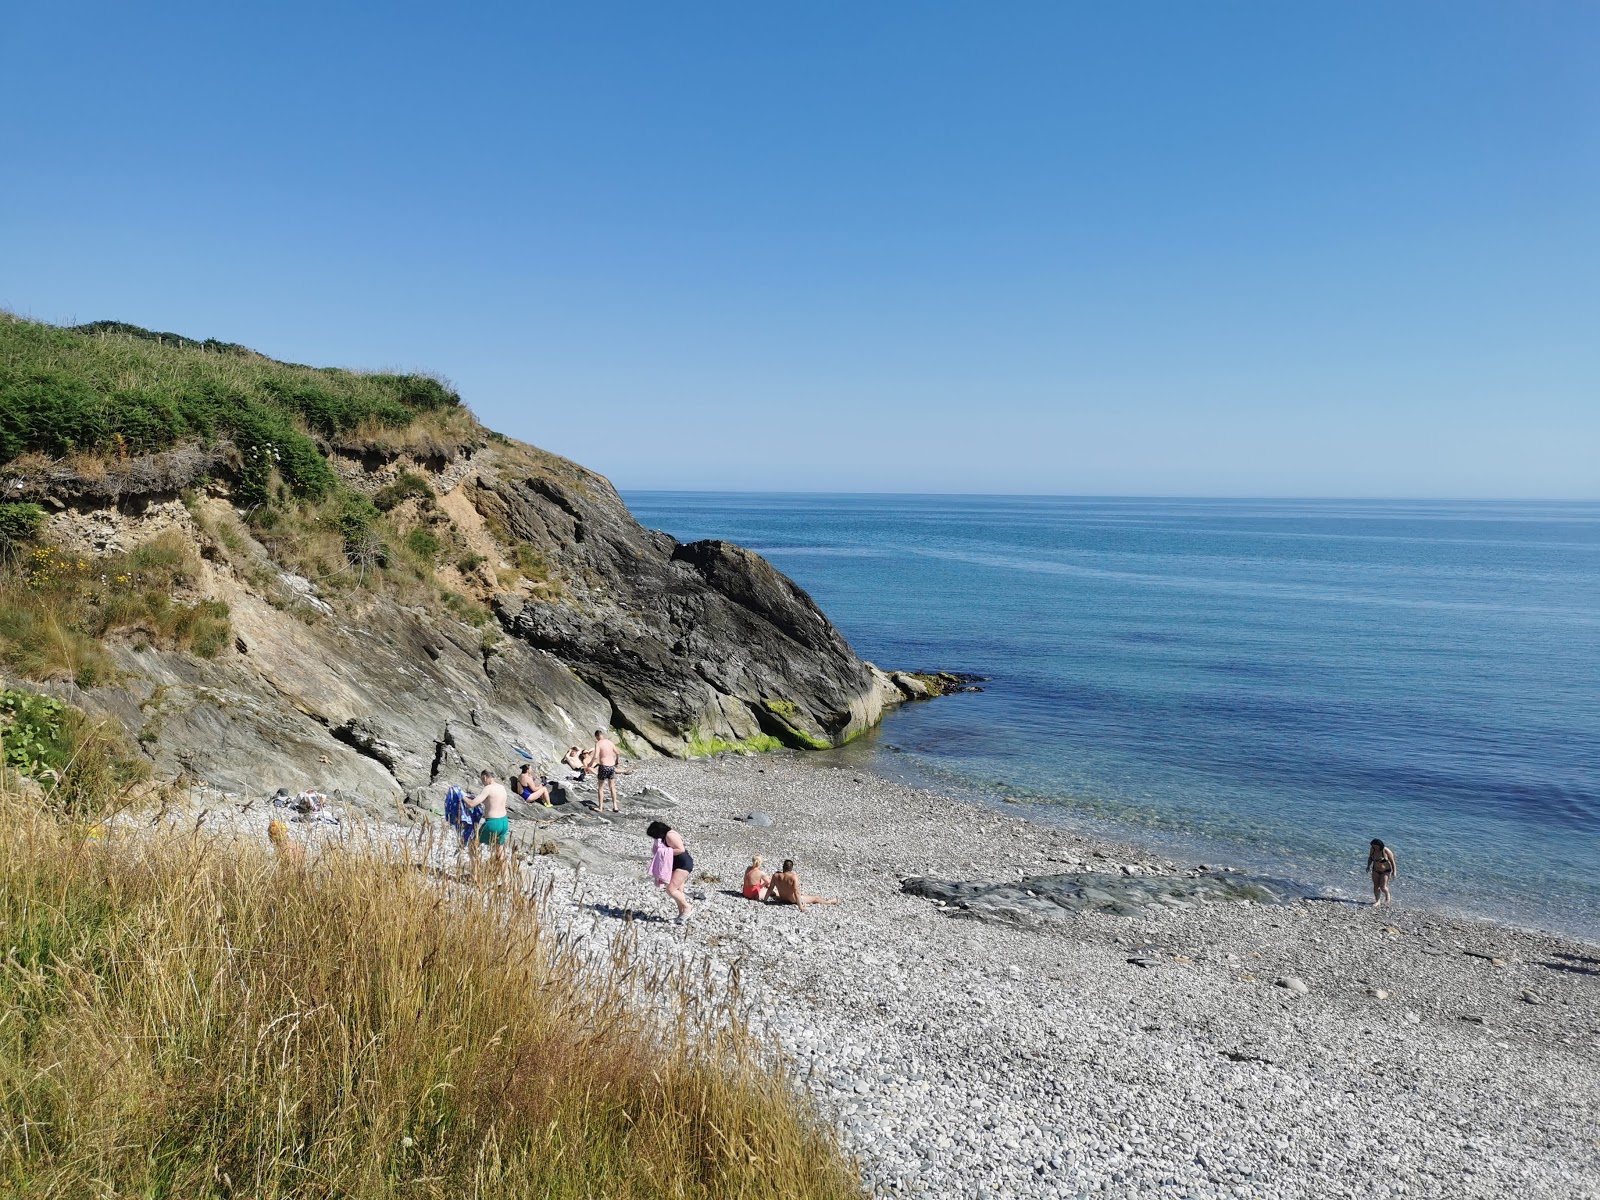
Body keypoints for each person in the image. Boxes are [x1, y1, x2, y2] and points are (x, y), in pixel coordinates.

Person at [645, 819, 694, 922]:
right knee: (678, 891)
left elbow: (681, 849)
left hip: (683, 864)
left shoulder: (670, 835)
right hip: (674, 864)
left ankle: (687, 907)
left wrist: (663, 852)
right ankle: (681, 914)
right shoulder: (664, 837)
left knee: (670, 889)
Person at [470, 768, 511, 879]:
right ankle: (506, 881)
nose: (483, 783)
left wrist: (461, 796)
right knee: (500, 851)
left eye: (482, 780)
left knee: (473, 845)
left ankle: (475, 876)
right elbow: (492, 802)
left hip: (493, 823)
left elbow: (472, 804)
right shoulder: (501, 788)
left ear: (485, 777)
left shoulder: (488, 788)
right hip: (504, 822)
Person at [768, 859, 838, 911]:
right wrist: (801, 907)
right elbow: (796, 892)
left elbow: (770, 888)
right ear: (791, 868)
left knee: (803, 894)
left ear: (783, 867)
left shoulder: (776, 875)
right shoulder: (793, 877)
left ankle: (802, 899)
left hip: (783, 899)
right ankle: (829, 902)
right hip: (792, 900)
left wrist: (764, 900)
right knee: (816, 898)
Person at [593, 729, 621, 813]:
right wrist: (616, 761)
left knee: (601, 787)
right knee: (612, 786)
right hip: (611, 766)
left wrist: (590, 764)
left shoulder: (598, 743)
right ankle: (615, 806)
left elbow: (595, 756)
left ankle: (600, 807)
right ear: (602, 735)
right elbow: (618, 753)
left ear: (597, 736)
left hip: (604, 766)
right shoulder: (610, 742)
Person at [1367, 838, 1398, 906]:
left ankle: (1387, 896)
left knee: (1383, 887)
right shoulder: (1372, 849)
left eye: (1375, 846)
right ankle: (1378, 901)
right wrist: (1368, 866)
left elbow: (1392, 862)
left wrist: (1394, 871)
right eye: (1373, 846)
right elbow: (1370, 858)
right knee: (1376, 886)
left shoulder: (1386, 851)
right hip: (1375, 870)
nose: (1374, 847)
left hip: (1385, 871)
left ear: (1379, 845)